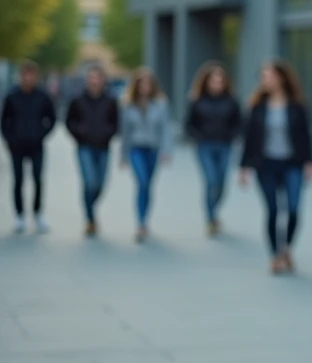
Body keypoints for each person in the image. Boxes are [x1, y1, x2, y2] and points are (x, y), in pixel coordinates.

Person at [239, 59, 312, 275]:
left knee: (293, 209)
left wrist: (309, 163)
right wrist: (243, 168)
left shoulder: (297, 105)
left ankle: (286, 248)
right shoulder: (256, 106)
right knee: (272, 210)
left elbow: (305, 136)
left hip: (293, 164)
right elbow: (249, 139)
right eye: (263, 77)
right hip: (266, 165)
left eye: (270, 75)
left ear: (281, 77)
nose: (266, 80)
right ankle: (274, 255)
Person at [185, 62, 242, 236]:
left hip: (224, 145)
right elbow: (188, 125)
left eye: (220, 81)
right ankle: (210, 218)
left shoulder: (231, 101)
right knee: (211, 181)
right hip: (205, 146)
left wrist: (232, 135)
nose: (217, 84)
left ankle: (214, 210)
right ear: (206, 82)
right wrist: (198, 136)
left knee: (222, 184)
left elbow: (239, 123)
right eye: (213, 81)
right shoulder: (197, 101)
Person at [1, 61, 57, 234]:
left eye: (31, 74)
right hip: (17, 146)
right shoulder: (12, 96)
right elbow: (4, 120)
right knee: (18, 180)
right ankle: (19, 215)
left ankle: (38, 213)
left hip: (36, 144)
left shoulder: (42, 96)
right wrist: (9, 139)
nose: (28, 78)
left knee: (38, 179)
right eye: (25, 74)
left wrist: (42, 133)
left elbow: (51, 118)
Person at [119, 67, 173, 244]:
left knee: (148, 185)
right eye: (141, 83)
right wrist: (123, 156)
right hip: (136, 148)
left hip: (153, 149)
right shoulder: (128, 104)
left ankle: (145, 218)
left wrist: (166, 151)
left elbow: (165, 129)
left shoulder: (160, 104)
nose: (145, 87)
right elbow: (125, 132)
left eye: (148, 83)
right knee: (141, 181)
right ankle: (140, 223)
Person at [65, 65, 120, 237]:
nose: (94, 81)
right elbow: (69, 121)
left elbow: (115, 122)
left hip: (103, 147)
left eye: (97, 77)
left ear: (103, 80)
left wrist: (108, 134)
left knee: (100, 185)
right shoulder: (77, 100)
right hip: (84, 147)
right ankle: (90, 219)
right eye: (91, 77)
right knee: (90, 182)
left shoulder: (110, 101)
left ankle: (90, 207)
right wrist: (79, 134)